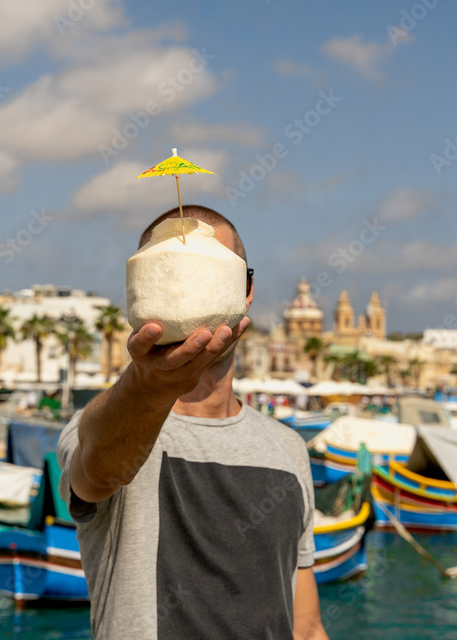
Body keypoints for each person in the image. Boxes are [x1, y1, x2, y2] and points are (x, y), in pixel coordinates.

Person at [58, 205, 327, 639]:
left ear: (246, 288)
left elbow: (307, 626)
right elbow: (99, 468)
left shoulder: (288, 448)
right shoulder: (108, 426)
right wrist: (148, 385)